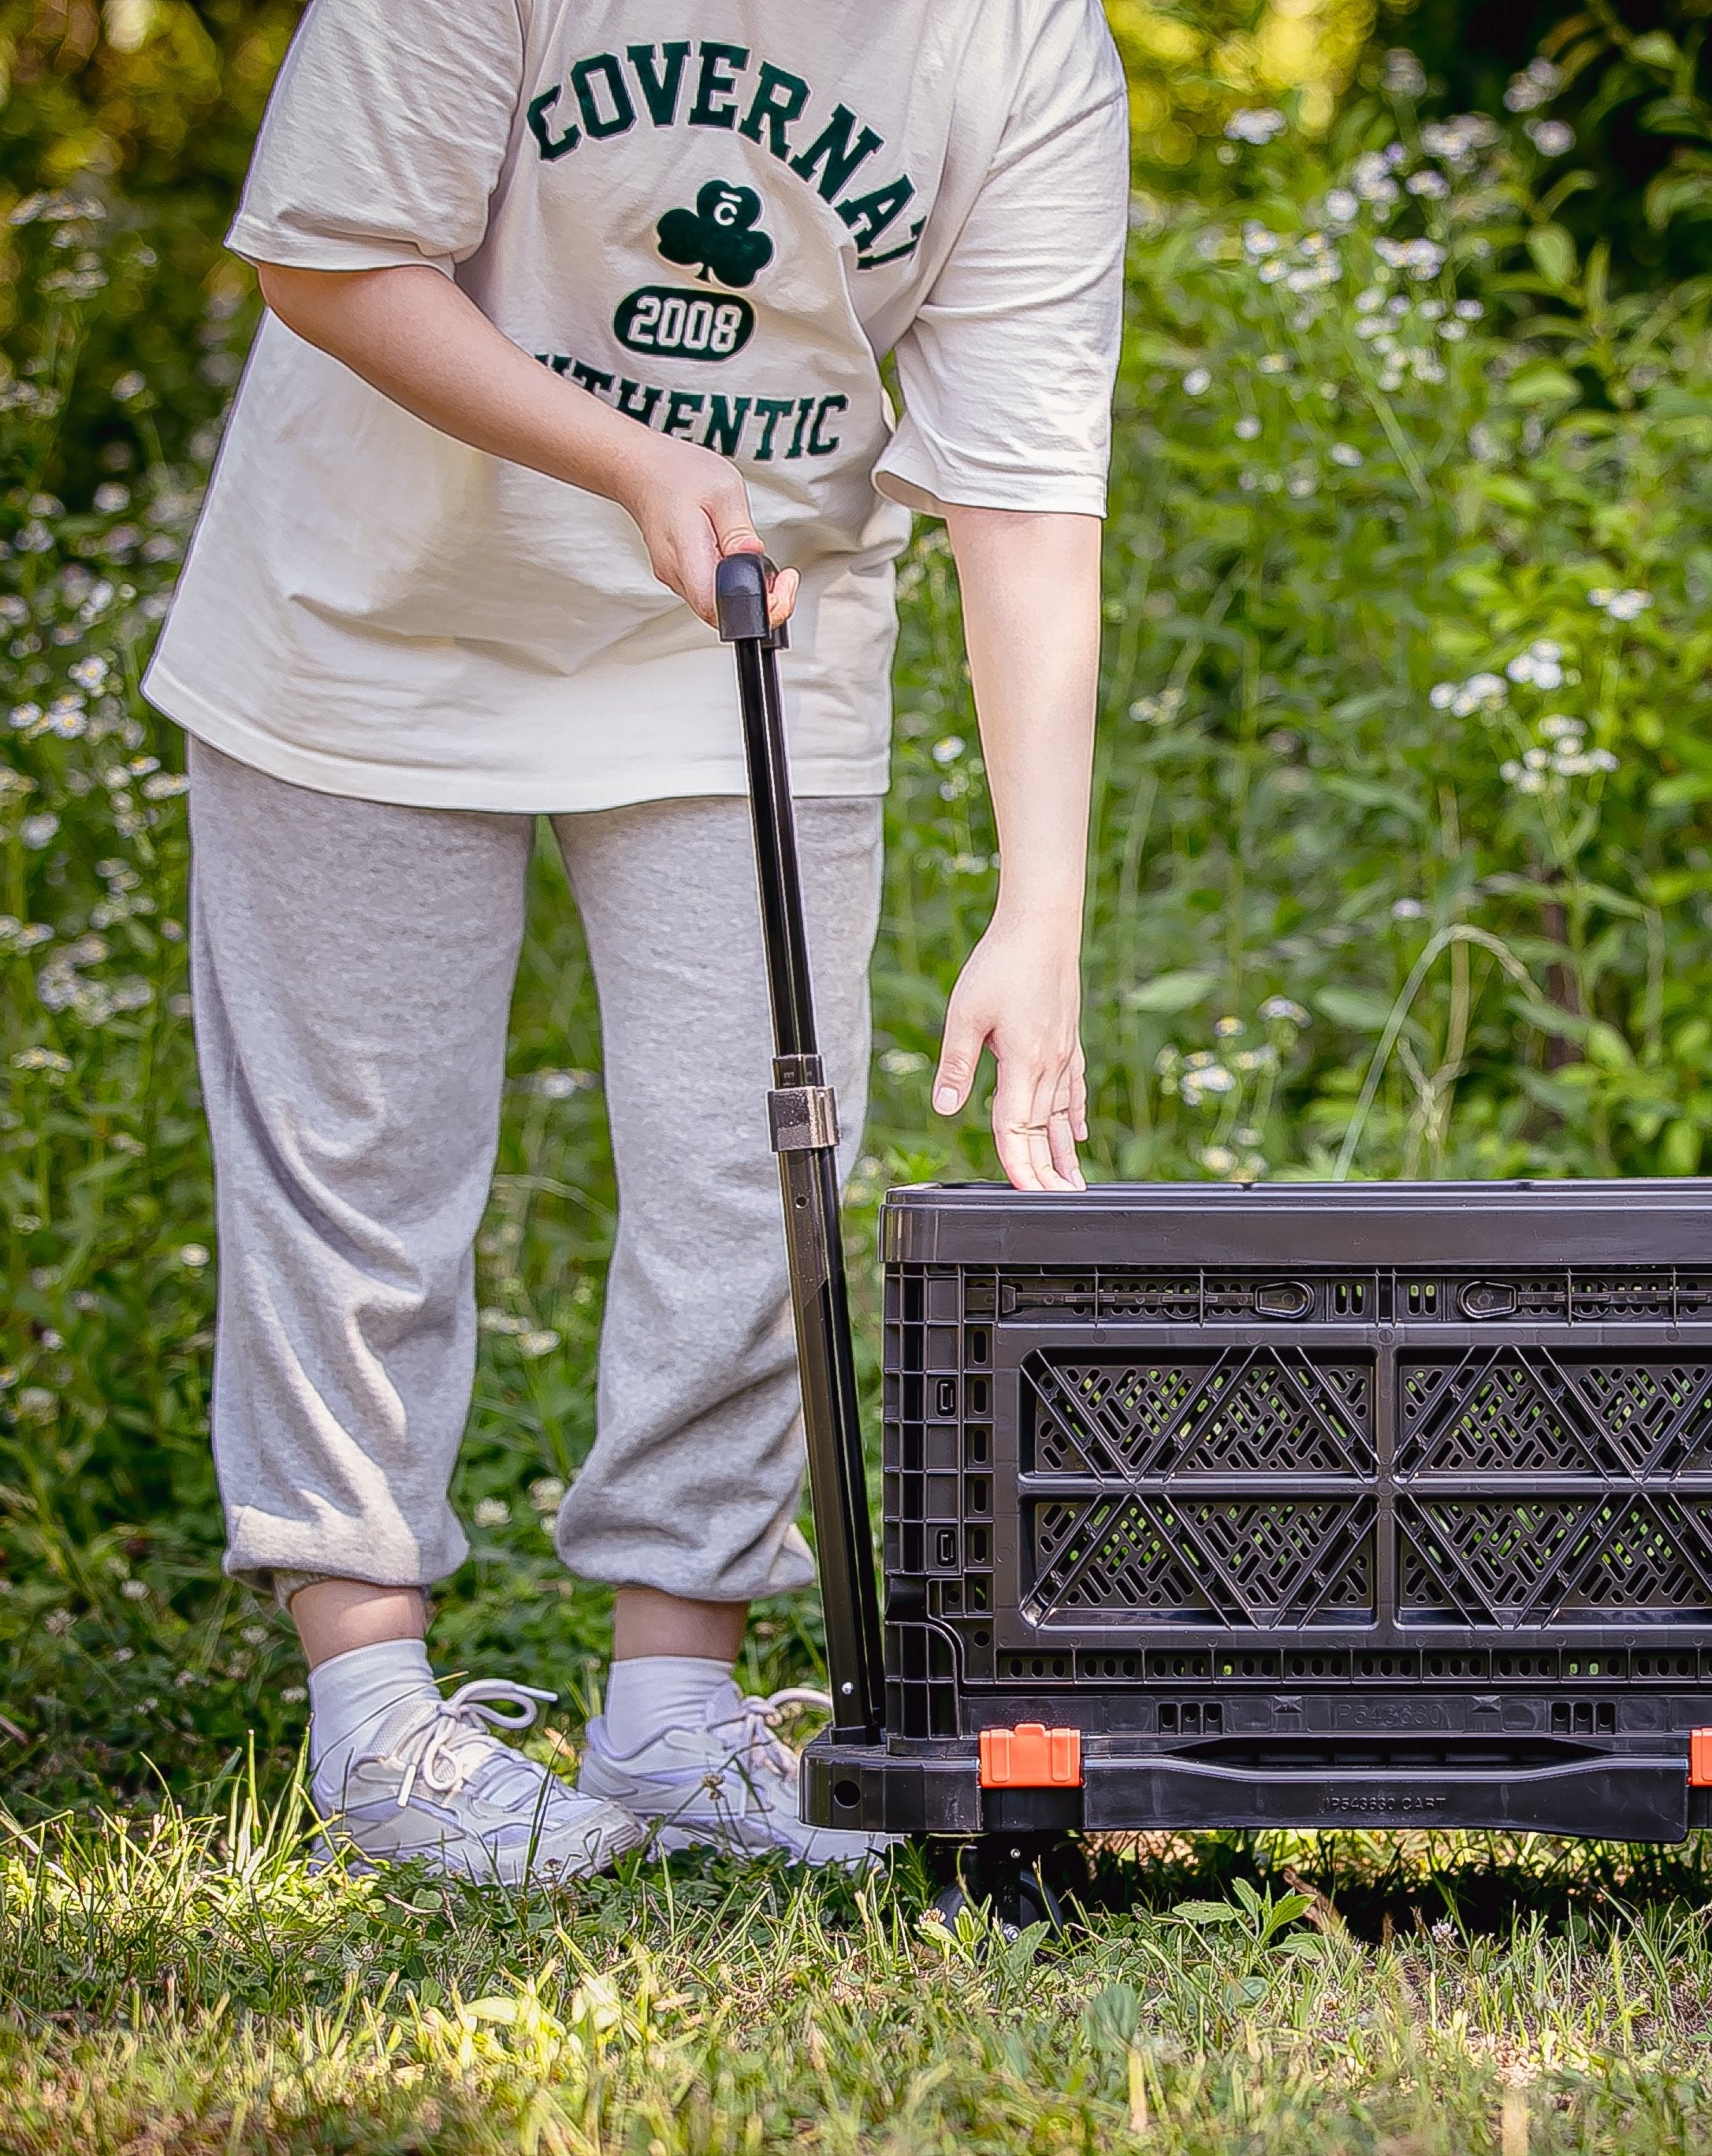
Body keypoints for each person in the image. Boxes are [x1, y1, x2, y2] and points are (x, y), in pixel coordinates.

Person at [144, 0, 1126, 1884]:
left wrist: (1041, 908)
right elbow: (330, 254)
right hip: (367, 617)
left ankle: (676, 1714)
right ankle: (375, 1718)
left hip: (747, 636)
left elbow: (1022, 475)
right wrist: (628, 461)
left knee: (746, 1165)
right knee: (359, 1162)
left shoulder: (1026, 48)